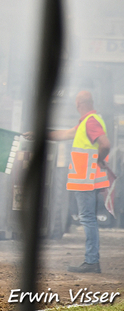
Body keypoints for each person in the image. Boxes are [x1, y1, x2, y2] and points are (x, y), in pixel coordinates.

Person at [29, 90, 111, 273]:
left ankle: (91, 262)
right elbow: (65, 134)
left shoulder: (90, 121)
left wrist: (99, 159)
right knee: (88, 219)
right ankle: (91, 261)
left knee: (88, 219)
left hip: (86, 180)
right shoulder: (88, 121)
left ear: (79, 103)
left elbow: (105, 144)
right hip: (88, 180)